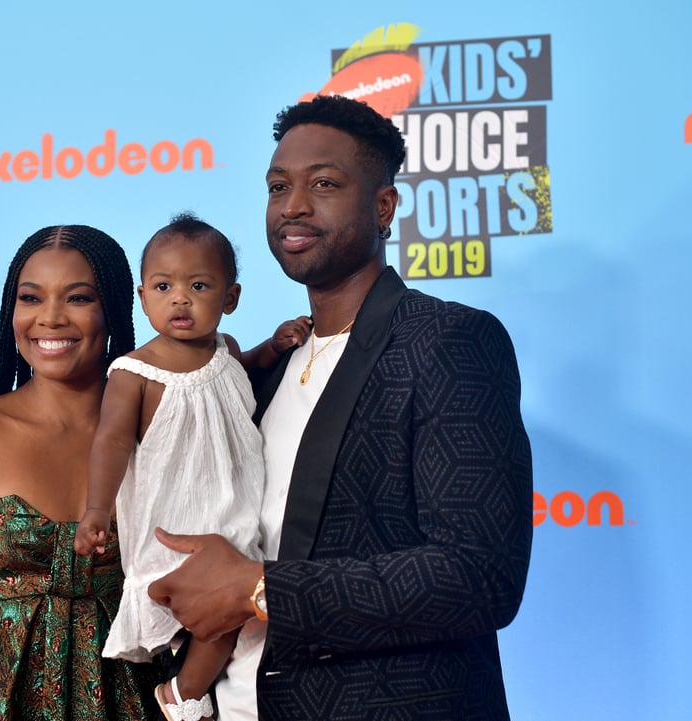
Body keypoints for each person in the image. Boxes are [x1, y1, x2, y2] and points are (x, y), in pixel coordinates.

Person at [147, 95, 534, 721]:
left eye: (323, 184)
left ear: (384, 207)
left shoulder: (448, 340)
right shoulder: (264, 367)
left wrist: (257, 589)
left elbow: (478, 574)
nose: (293, 205)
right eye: (278, 187)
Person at [0, 225, 164, 721]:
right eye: (30, 297)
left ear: (115, 309)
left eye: (78, 297)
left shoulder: (160, 433)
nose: (50, 318)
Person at [73, 213, 311, 721]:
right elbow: (111, 441)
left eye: (198, 285)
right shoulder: (134, 372)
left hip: (230, 514)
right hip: (175, 526)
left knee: (239, 611)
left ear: (230, 299)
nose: (179, 298)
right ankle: (181, 696)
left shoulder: (224, 350)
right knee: (220, 613)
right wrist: (96, 510)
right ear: (143, 297)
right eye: (164, 286)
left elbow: (241, 372)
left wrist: (274, 346)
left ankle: (189, 690)